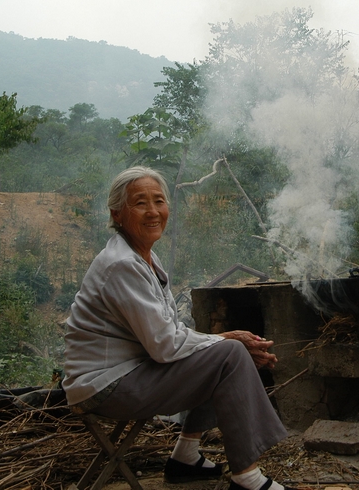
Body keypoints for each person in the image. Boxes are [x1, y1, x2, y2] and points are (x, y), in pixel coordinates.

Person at [63, 166, 289, 490]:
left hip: (122, 374)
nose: (153, 211)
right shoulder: (122, 265)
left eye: (159, 201)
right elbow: (165, 345)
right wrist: (225, 339)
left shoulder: (143, 258)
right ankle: (247, 477)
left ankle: (185, 457)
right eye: (140, 203)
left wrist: (219, 341)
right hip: (104, 385)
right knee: (227, 354)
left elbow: (169, 330)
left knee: (217, 353)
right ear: (117, 213)